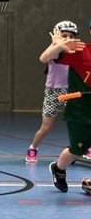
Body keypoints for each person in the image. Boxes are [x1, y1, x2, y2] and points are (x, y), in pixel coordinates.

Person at [38, 20, 91, 192]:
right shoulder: (80, 50)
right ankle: (59, 169)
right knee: (76, 150)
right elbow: (44, 58)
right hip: (80, 112)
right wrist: (58, 45)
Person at [26, 21, 78, 163]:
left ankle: (81, 148)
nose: (68, 38)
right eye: (64, 35)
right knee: (46, 127)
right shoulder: (56, 51)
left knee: (78, 122)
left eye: (71, 36)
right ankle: (33, 147)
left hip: (70, 91)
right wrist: (56, 44)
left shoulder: (76, 51)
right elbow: (43, 58)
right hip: (53, 91)